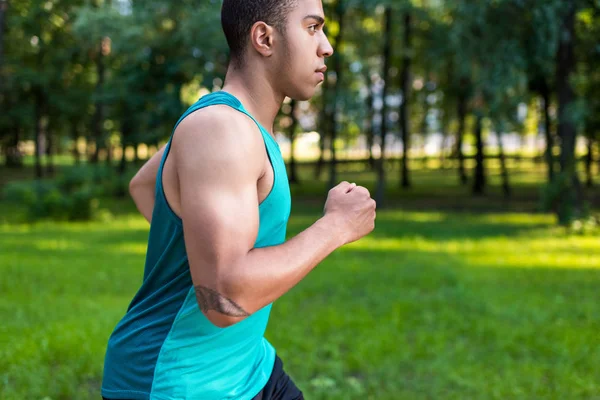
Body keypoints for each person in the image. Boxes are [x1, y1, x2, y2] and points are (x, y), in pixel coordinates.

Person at [101, 0, 376, 399]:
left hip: (249, 366)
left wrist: (200, 245)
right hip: (180, 382)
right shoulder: (220, 128)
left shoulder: (237, 124)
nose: (327, 46)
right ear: (264, 38)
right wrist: (336, 226)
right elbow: (224, 299)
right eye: (313, 28)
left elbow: (145, 186)